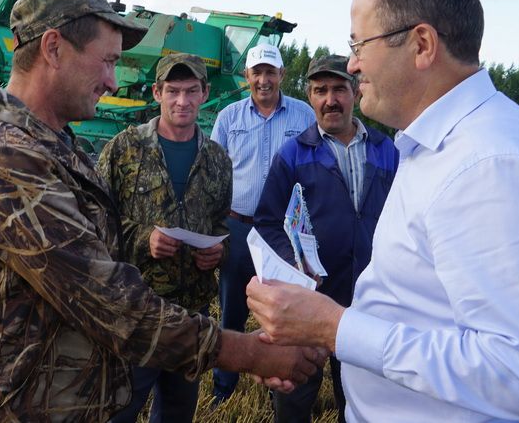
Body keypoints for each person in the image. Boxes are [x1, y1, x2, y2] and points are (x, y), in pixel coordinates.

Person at [0, 0, 325, 422]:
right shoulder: (7, 159)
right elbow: (111, 303)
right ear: (54, 49)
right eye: (108, 61)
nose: (113, 80)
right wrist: (249, 353)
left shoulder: (52, 147)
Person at [246, 0, 519, 422]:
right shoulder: (432, 147)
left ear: (422, 44)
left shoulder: (492, 166)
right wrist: (325, 330)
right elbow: (417, 302)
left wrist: (336, 328)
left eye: (359, 43)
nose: (353, 63)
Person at [254, 54, 398, 422]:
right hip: (308, 301)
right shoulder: (293, 154)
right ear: (310, 96)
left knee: (357, 398)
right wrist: (297, 266)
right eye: (320, 90)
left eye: (338, 89)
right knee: (295, 397)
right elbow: (268, 222)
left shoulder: (387, 151)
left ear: (354, 92)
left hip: (368, 301)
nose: (329, 99)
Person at [96, 52, 232, 423]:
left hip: (191, 312)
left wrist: (218, 250)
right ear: (157, 92)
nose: (182, 101)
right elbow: (95, 221)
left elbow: (221, 221)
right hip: (135, 307)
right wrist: (144, 239)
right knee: (119, 409)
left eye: (191, 91)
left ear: (205, 93)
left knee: (177, 410)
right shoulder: (124, 149)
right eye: (173, 91)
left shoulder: (218, 159)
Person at [210, 43, 315, 402]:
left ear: (283, 75)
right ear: (247, 76)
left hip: (286, 235)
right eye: (257, 73)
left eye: (271, 72)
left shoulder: (303, 116)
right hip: (238, 228)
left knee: (284, 313)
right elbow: (214, 173)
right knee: (232, 311)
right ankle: (224, 390)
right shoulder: (228, 118)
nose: (264, 80)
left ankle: (280, 389)